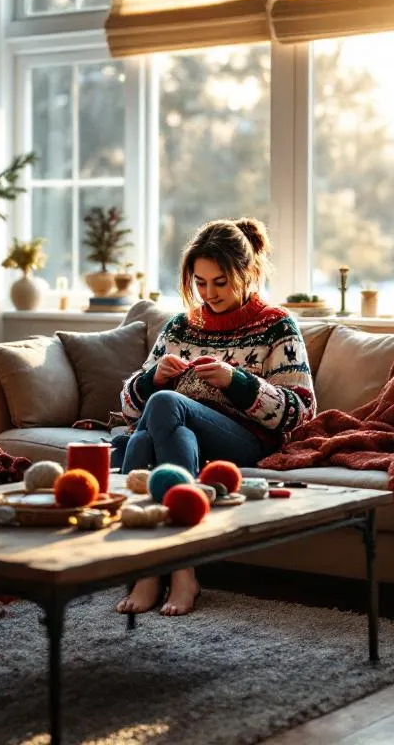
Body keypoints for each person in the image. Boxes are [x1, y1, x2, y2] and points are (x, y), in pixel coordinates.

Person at [112, 218, 316, 616]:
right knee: (140, 437)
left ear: (248, 273)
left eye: (220, 282)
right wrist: (153, 378)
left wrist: (238, 383)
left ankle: (171, 568)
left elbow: (302, 414)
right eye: (200, 282)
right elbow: (128, 407)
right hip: (183, 438)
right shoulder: (180, 327)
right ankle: (162, 571)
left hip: (244, 441)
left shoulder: (277, 327)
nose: (209, 293)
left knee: (164, 407)